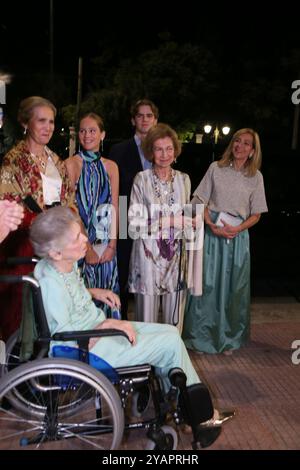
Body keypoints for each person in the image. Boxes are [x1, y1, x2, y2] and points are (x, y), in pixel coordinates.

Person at [29, 205, 233, 448]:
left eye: (81, 232)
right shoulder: (51, 283)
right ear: (56, 253)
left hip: (93, 331)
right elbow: (64, 334)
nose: (85, 238)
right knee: (169, 344)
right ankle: (199, 416)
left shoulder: (60, 264)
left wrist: (94, 292)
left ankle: (184, 405)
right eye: (76, 238)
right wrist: (108, 324)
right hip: (84, 349)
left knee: (169, 332)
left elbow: (70, 294)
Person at [183, 128, 268, 355]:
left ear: (252, 151)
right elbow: (198, 199)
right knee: (206, 286)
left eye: (246, 143)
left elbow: (257, 214)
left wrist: (238, 228)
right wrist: (210, 225)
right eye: (237, 141)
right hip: (212, 235)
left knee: (233, 289)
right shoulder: (216, 169)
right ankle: (199, 337)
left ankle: (229, 338)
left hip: (237, 239)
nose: (240, 146)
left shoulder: (256, 177)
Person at [0, 96, 76, 340]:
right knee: (22, 315)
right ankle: (20, 371)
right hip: (24, 247)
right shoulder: (13, 160)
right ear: (26, 123)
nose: (48, 127)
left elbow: (69, 203)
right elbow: (9, 208)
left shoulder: (57, 161)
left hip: (57, 247)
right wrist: (45, 224)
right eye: (41, 121)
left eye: (51, 122)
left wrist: (68, 229)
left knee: (54, 312)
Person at [128, 123, 199, 334]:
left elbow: (185, 219)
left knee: (174, 326)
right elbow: (134, 226)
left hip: (176, 260)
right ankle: (146, 365)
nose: (164, 154)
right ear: (151, 151)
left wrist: (192, 222)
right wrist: (167, 222)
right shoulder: (141, 180)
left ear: (175, 150)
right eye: (159, 149)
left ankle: (171, 366)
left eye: (169, 148)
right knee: (147, 327)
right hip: (147, 260)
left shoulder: (184, 180)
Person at [65, 113, 119, 318]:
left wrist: (113, 245)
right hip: (79, 244)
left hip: (107, 245)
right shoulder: (71, 164)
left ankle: (110, 347)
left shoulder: (111, 166)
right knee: (82, 300)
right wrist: (86, 247)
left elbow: (116, 206)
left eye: (92, 130)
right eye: (83, 130)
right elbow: (70, 210)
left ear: (102, 135)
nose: (87, 135)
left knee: (108, 299)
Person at [109, 99, 158, 319]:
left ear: (155, 120)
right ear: (133, 120)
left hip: (155, 222)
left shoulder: (163, 149)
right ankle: (120, 322)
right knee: (122, 270)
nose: (145, 119)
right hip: (124, 217)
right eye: (140, 115)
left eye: (149, 115)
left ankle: (147, 323)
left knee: (150, 273)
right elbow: (113, 190)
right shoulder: (118, 150)